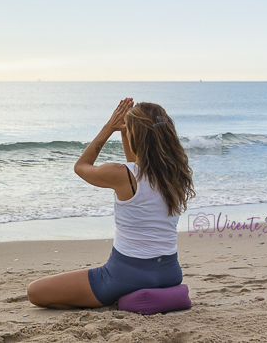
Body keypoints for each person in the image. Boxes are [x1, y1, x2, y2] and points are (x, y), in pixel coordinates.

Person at [27, 98, 195, 309]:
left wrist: (109, 127)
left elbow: (81, 166)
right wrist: (125, 132)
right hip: (170, 273)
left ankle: (111, 298)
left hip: (126, 275)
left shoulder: (120, 174)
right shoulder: (175, 175)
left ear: (138, 136)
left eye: (130, 130)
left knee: (35, 292)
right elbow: (134, 164)